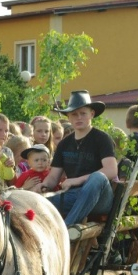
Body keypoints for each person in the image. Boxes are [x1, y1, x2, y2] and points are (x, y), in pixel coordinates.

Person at [32, 91, 118, 226]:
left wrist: (76, 180)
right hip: (73, 196)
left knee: (98, 177)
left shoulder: (102, 138)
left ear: (92, 114)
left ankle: (67, 229)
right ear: (69, 118)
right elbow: (53, 177)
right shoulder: (64, 144)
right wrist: (44, 185)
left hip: (100, 198)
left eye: (83, 113)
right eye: (74, 114)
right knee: (35, 202)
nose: (78, 118)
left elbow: (111, 170)